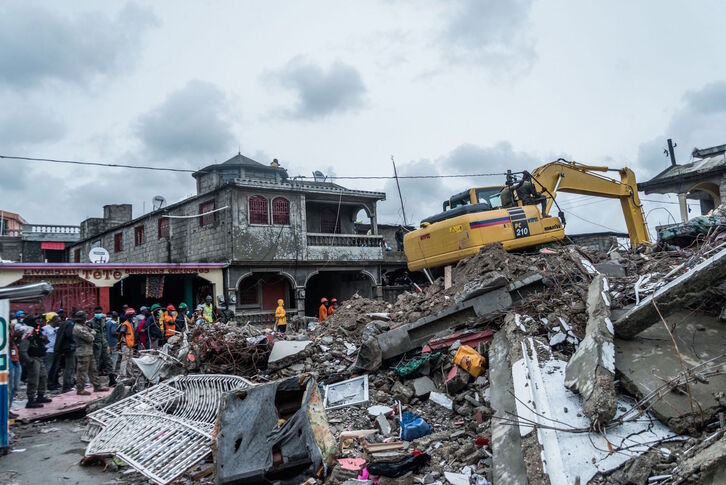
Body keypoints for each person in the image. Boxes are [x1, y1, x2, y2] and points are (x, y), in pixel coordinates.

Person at [19, 316, 52, 408]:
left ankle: (40, 395)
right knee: (34, 379)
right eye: (36, 320)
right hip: (33, 359)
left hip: (39, 358)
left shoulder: (37, 332)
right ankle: (31, 400)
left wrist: (44, 339)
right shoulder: (28, 334)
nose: (39, 322)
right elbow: (22, 350)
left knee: (43, 377)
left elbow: (43, 343)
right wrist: (29, 361)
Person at [73, 311, 106, 395]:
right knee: (82, 371)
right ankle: (80, 389)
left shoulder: (83, 327)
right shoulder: (78, 328)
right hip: (83, 352)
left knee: (93, 370)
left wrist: (91, 332)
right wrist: (92, 332)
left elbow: (92, 332)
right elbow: (90, 338)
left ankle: (97, 386)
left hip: (88, 351)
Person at [89, 306, 115, 386]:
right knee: (95, 363)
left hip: (104, 344)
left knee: (108, 361)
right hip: (96, 345)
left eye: (100, 312)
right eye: (97, 312)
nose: (98, 314)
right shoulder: (91, 322)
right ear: (94, 313)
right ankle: (95, 382)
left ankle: (112, 380)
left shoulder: (104, 320)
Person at [54, 311, 77, 393]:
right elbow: (70, 335)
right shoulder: (70, 324)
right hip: (68, 348)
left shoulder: (65, 323)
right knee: (69, 367)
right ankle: (67, 386)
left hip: (63, 348)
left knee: (66, 367)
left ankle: (68, 384)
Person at [43, 313, 61, 391]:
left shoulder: (58, 329)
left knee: (55, 368)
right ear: (53, 320)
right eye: (58, 320)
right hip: (48, 351)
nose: (59, 322)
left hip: (56, 350)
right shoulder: (45, 328)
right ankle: (44, 385)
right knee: (48, 368)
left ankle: (52, 383)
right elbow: (43, 339)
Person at [117, 309, 136, 378]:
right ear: (130, 315)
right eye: (134, 315)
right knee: (125, 360)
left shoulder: (131, 323)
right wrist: (118, 343)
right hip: (125, 344)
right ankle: (122, 375)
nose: (135, 316)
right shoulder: (125, 324)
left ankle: (129, 374)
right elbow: (121, 333)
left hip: (130, 344)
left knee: (130, 360)